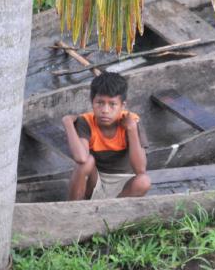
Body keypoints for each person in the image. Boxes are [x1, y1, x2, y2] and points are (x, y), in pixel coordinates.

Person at [63, 72, 151, 201]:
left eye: (112, 104)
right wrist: (68, 123)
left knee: (144, 181)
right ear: (92, 102)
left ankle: (111, 212)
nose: (105, 110)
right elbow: (81, 158)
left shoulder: (132, 122)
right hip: (95, 181)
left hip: (123, 184)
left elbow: (140, 169)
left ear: (123, 106)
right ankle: (73, 210)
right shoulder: (86, 122)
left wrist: (131, 130)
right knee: (86, 162)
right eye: (99, 103)